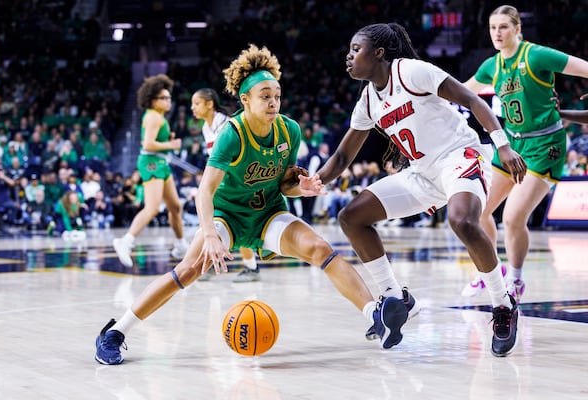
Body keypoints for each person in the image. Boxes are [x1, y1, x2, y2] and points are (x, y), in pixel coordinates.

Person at [95, 44, 404, 365]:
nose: (273, 102)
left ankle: (376, 315)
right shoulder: (232, 134)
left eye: (277, 96)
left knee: (321, 248)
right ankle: (114, 333)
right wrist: (210, 236)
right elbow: (204, 191)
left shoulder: (290, 130)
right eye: (265, 96)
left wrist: (303, 187)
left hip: (267, 213)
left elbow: (284, 183)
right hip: (226, 216)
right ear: (245, 100)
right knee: (187, 270)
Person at [316, 23, 527, 357]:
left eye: (356, 49)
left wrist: (502, 146)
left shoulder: (410, 72)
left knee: (462, 221)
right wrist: (315, 181)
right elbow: (342, 156)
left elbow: (472, 99)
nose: (349, 56)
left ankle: (503, 305)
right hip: (423, 173)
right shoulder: (369, 99)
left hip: (460, 157)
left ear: (379, 53)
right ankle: (394, 297)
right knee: (352, 217)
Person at [460, 5, 588, 302]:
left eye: (504, 27)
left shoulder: (537, 55)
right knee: (476, 212)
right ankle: (489, 272)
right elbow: (464, 92)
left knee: (513, 218)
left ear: (518, 29)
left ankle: (516, 280)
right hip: (511, 145)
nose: (497, 33)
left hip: (546, 145)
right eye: (493, 28)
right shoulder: (491, 65)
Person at [112, 74, 188, 267]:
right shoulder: (154, 117)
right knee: (152, 208)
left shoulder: (158, 116)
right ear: (152, 100)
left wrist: (167, 142)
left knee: (175, 207)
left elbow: (153, 142)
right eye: (163, 98)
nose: (167, 101)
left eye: (168, 97)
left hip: (160, 163)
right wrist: (171, 143)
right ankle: (125, 241)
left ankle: (180, 245)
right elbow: (147, 144)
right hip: (151, 163)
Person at [190, 87, 260, 282]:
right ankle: (212, 262)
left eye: (196, 103)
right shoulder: (206, 127)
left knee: (233, 222)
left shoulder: (224, 123)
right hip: (222, 182)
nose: (192, 108)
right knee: (211, 222)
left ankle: (251, 267)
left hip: (237, 179)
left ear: (209, 104)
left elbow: (235, 154)